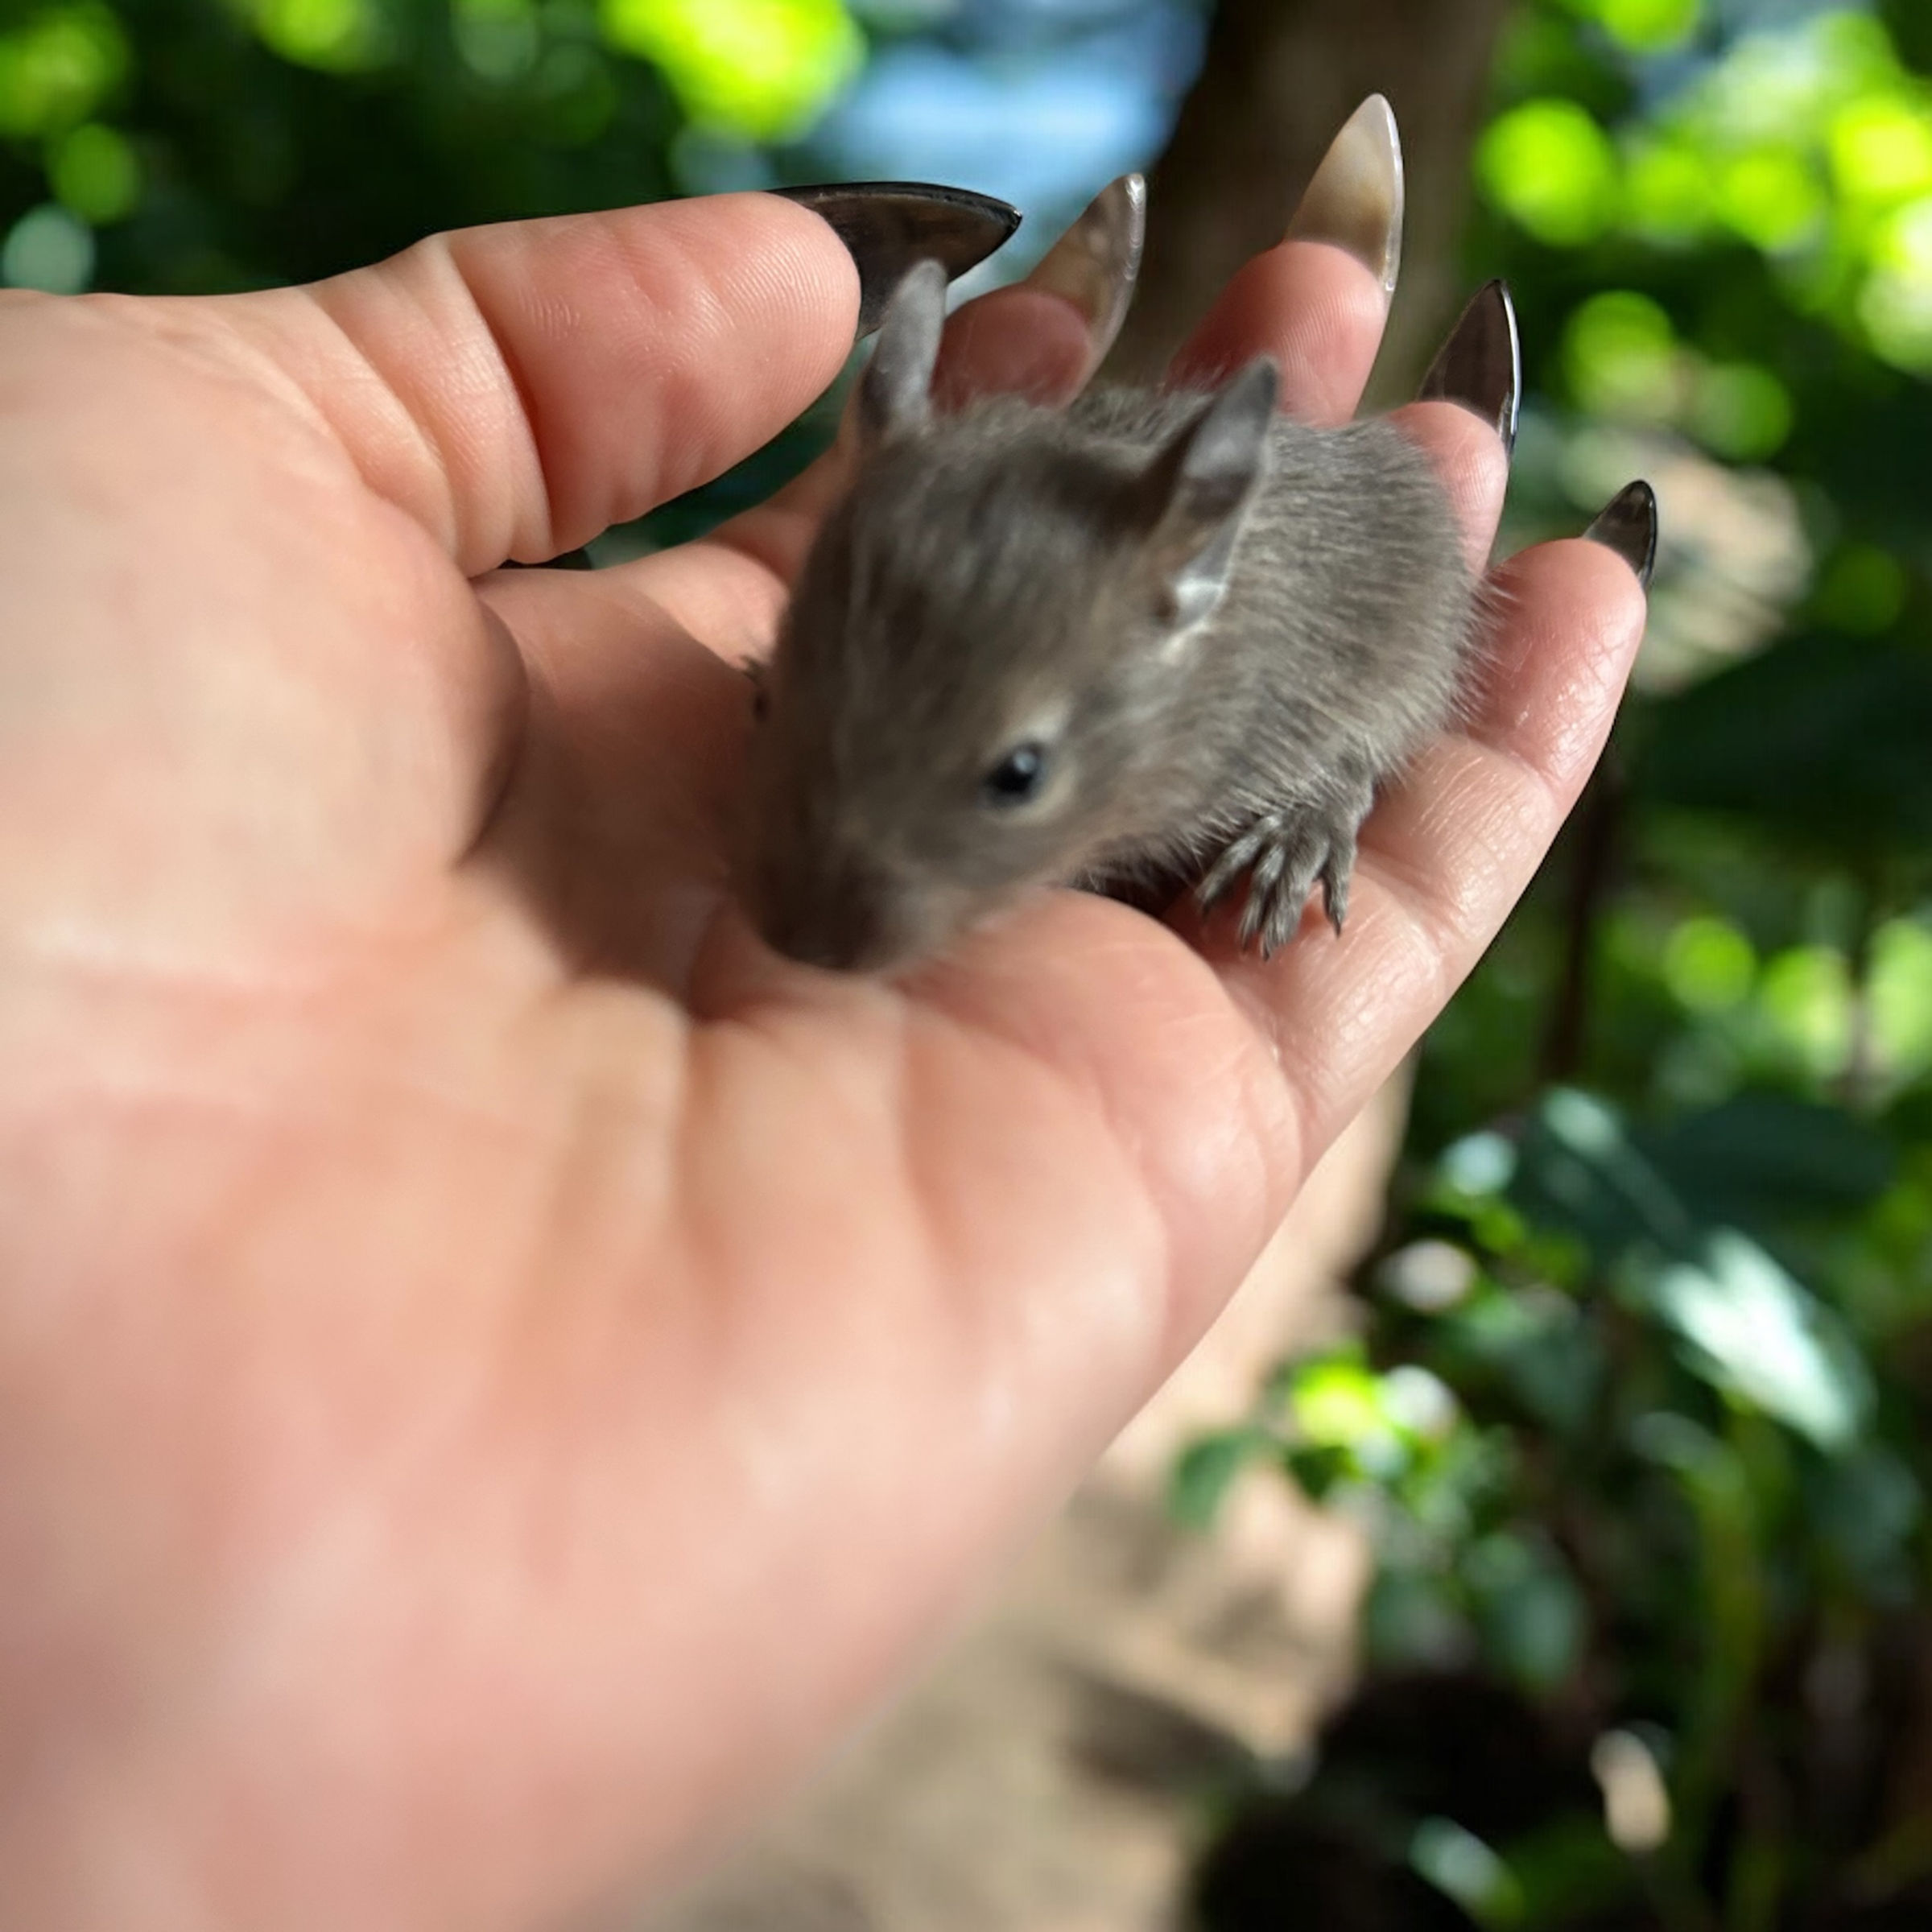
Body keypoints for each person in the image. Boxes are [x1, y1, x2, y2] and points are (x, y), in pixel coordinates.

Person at [0, 150, 1648, 1929]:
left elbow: (1352, 654)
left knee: (1359, 659)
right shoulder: (919, 523)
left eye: (1010, 780)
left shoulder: (1204, 653)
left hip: (1308, 650)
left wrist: (1321, 797)